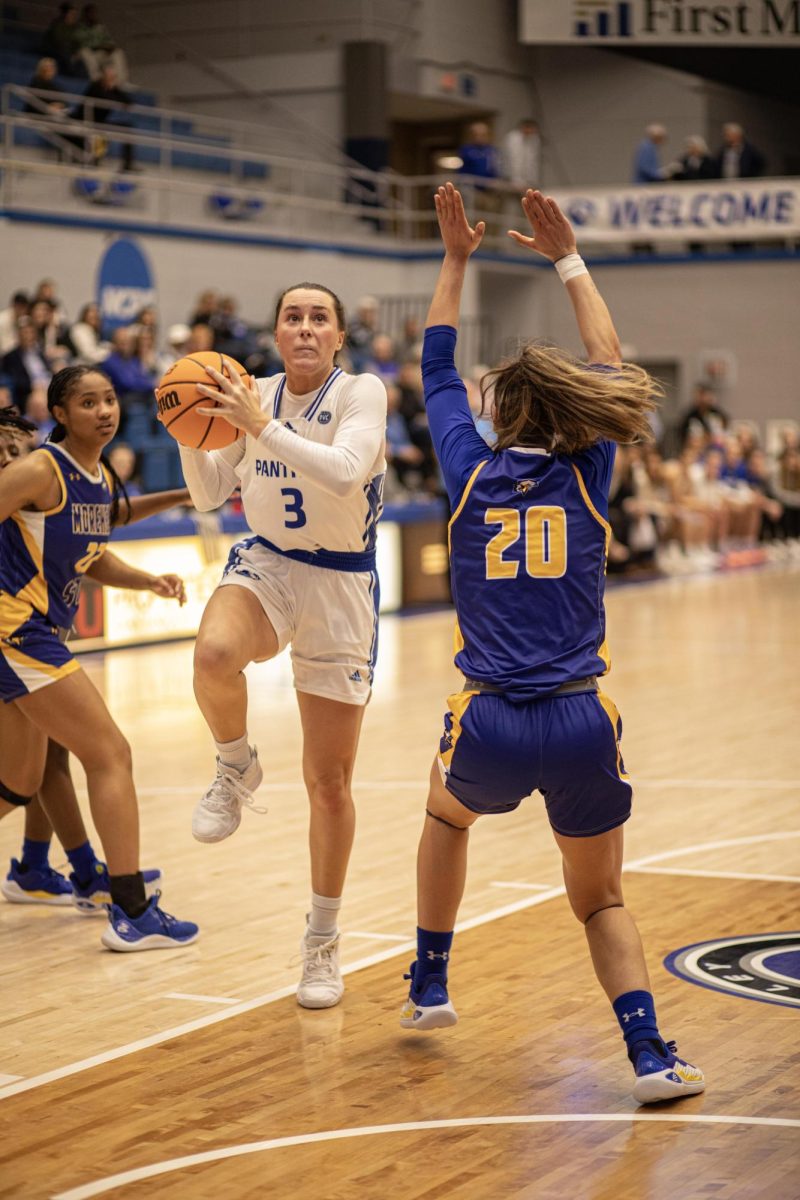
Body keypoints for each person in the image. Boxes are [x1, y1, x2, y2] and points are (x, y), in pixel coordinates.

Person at [398, 183, 705, 1106]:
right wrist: (569, 260)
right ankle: (649, 1055)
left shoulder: (467, 466)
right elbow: (610, 362)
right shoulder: (589, 469)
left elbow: (436, 364)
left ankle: (431, 979)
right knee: (602, 900)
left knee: (444, 817)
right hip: (580, 719)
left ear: (499, 413)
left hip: (490, 718)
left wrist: (455, 259)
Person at [177, 282, 387, 1008]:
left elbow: (344, 471)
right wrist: (188, 430)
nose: (304, 328)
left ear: (336, 337)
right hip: (268, 563)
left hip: (339, 588)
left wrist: (257, 425)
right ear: (275, 331)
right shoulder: (247, 391)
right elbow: (209, 495)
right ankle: (235, 766)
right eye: (292, 316)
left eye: (318, 318)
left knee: (328, 784)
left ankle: (322, 942)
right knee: (211, 655)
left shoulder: (362, 394)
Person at [0, 366, 198, 948]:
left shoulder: (96, 476)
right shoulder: (40, 467)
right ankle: (130, 909)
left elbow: (97, 544)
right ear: (60, 415)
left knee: (19, 780)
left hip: (38, 632)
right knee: (109, 751)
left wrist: (146, 581)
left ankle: (75, 875)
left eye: (110, 399)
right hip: (16, 627)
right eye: (88, 402)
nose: (105, 410)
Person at [502, 118, 541, 192]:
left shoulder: (534, 139)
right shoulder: (512, 138)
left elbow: (532, 162)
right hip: (512, 179)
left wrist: (533, 181)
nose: (532, 132)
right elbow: (513, 161)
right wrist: (516, 180)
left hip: (528, 181)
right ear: (524, 127)